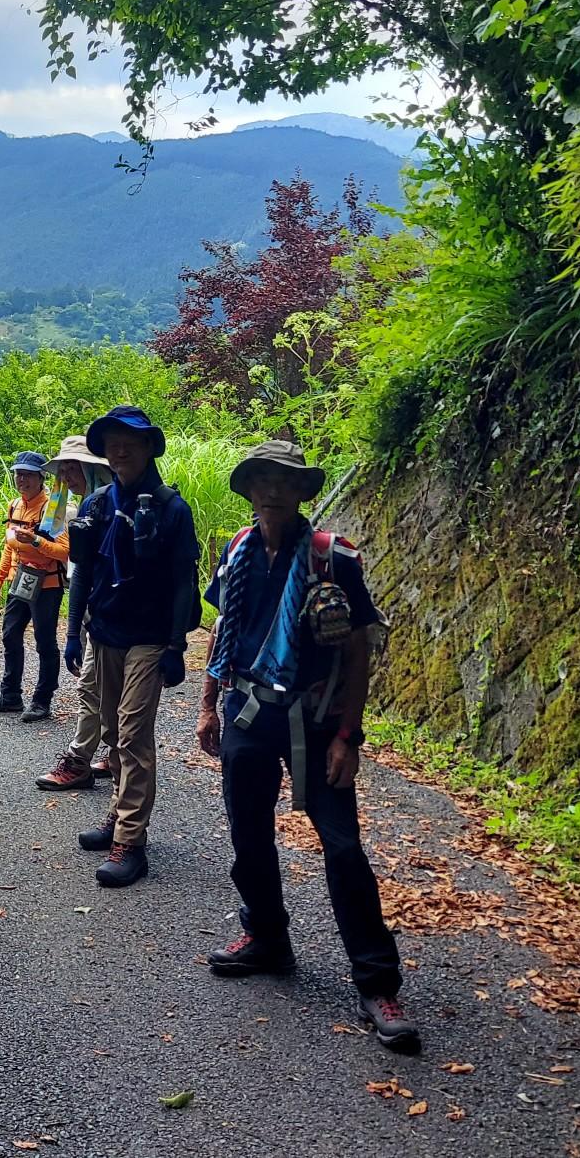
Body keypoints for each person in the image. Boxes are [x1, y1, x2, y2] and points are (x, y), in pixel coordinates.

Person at [196, 440, 417, 1052]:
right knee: (247, 831)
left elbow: (356, 651)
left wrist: (349, 735)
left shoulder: (332, 559)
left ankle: (377, 981)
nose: (272, 490)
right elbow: (224, 630)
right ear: (250, 489)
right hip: (247, 709)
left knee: (343, 846)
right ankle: (266, 935)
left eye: (284, 481)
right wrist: (208, 705)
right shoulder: (237, 551)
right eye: (262, 480)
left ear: (301, 492)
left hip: (316, 719)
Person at [54, 406, 200, 889]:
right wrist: (74, 632)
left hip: (150, 636)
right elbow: (85, 575)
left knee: (133, 735)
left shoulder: (170, 509)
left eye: (129, 441)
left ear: (148, 447)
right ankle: (119, 814)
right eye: (112, 441)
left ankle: (130, 840)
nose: (120, 449)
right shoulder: (96, 505)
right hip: (106, 631)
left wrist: (176, 645)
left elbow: (184, 582)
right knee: (113, 730)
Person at [32, 434, 116, 789]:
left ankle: (84, 759)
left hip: (118, 617)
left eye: (73, 466)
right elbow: (81, 570)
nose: (66, 474)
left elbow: (81, 566)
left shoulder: (107, 506)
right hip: (96, 613)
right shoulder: (87, 505)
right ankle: (102, 755)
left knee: (98, 690)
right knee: (97, 689)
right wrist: (73, 632)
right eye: (63, 468)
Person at [0, 450, 71, 722]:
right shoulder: (15, 506)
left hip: (47, 584)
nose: (22, 479)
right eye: (18, 474)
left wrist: (35, 541)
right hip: (20, 580)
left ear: (41, 477)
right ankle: (10, 696)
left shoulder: (53, 509)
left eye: (28, 475)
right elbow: (9, 547)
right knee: (10, 635)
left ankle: (42, 700)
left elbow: (64, 551)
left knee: (44, 642)